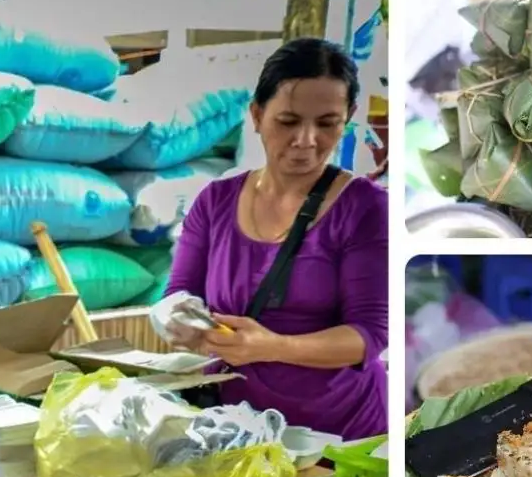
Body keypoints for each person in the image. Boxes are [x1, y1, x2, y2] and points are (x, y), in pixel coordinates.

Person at [162, 37, 387, 441]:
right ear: (257, 114)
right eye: (288, 121)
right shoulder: (215, 202)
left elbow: (369, 336)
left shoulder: (365, 209)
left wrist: (272, 346)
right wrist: (178, 319)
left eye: (326, 123)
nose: (305, 140)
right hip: (235, 428)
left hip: (338, 435)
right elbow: (179, 292)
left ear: (348, 117)